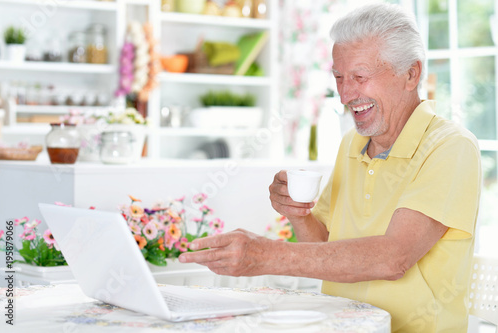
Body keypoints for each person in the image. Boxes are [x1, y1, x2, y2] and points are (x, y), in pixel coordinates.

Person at [179, 3, 481, 332]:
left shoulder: (450, 147)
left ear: (411, 74)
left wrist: (266, 255)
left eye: (360, 77)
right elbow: (322, 245)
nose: (345, 94)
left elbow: (393, 257)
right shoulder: (352, 143)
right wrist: (298, 213)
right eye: (338, 77)